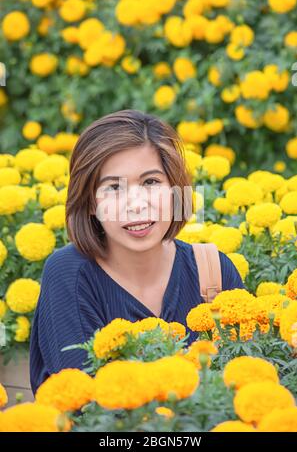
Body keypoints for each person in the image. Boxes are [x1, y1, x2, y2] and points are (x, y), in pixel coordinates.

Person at [29, 109, 244, 394]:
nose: (136, 204)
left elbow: (247, 383)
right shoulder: (69, 274)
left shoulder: (213, 270)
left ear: (174, 190)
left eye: (151, 182)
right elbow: (84, 406)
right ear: (91, 203)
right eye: (114, 187)